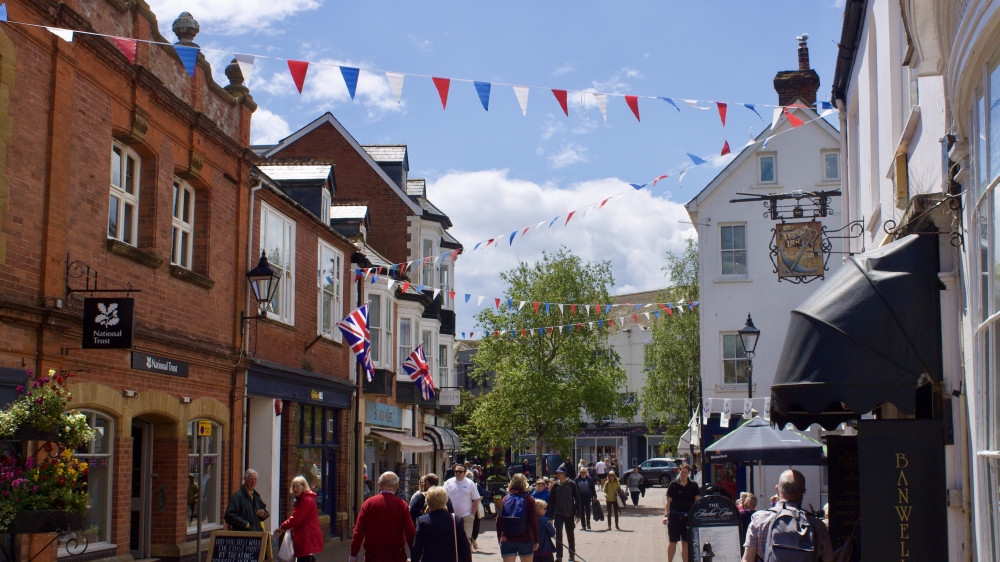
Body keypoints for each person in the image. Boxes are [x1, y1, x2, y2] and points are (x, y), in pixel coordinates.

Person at [742, 470, 834, 562]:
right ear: (803, 492)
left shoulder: (759, 519)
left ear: (777, 490)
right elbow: (829, 559)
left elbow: (747, 559)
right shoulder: (816, 525)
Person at [350, 472, 415, 562]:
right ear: (396, 486)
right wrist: (415, 553)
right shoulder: (402, 505)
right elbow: (410, 532)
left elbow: (358, 532)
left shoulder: (369, 504)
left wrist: (354, 554)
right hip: (396, 554)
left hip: (373, 554)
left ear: (379, 485)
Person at [411, 485, 472, 562]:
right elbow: (464, 546)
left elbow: (417, 548)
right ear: (445, 500)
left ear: (428, 501)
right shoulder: (455, 519)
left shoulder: (422, 521)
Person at [274, 476, 323, 562]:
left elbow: (296, 518)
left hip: (306, 537)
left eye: (297, 486)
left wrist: (282, 527)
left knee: (304, 558)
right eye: (293, 486)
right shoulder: (302, 499)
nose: (295, 489)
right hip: (304, 536)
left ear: (303, 487)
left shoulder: (306, 500)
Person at [497, 473, 539, 562]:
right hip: (525, 537)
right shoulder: (529, 499)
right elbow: (533, 521)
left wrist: (500, 537)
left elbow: (498, 520)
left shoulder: (504, 499)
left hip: (507, 538)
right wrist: (536, 540)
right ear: (525, 483)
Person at [663, 463, 700, 562]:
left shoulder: (693, 485)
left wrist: (697, 515)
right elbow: (668, 502)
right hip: (675, 516)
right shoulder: (673, 485)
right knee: (673, 541)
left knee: (686, 542)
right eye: (682, 472)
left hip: (688, 517)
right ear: (679, 472)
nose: (683, 474)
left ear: (689, 473)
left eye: (686, 472)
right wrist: (666, 516)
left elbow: (698, 501)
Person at [444, 462, 482, 551]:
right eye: (456, 471)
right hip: (452, 517)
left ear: (464, 473)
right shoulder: (449, 483)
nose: (458, 473)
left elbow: (476, 499)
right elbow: (444, 497)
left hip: (466, 516)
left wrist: (472, 514)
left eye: (460, 472)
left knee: (466, 540)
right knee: (452, 540)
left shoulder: (470, 483)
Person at [549, 466, 582, 561]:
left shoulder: (571, 484)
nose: (558, 475)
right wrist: (550, 517)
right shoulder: (555, 485)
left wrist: (578, 514)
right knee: (558, 535)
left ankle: (572, 554)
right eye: (557, 473)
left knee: (570, 534)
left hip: (569, 513)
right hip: (558, 513)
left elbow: (577, 499)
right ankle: (559, 556)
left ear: (564, 474)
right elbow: (551, 502)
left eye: (559, 473)